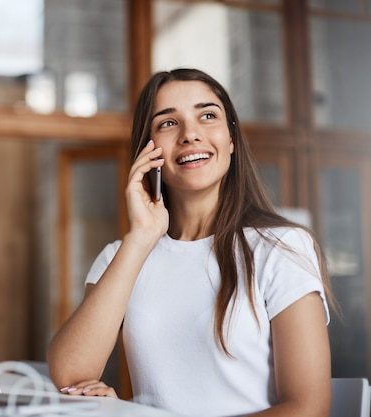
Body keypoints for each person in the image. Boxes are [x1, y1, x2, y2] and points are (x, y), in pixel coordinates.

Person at [46, 68, 334, 417]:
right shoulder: (121, 257)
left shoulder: (282, 248)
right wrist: (141, 237)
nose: (190, 134)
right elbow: (69, 375)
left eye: (208, 116)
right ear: (147, 152)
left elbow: (308, 408)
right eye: (168, 123)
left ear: (231, 140)